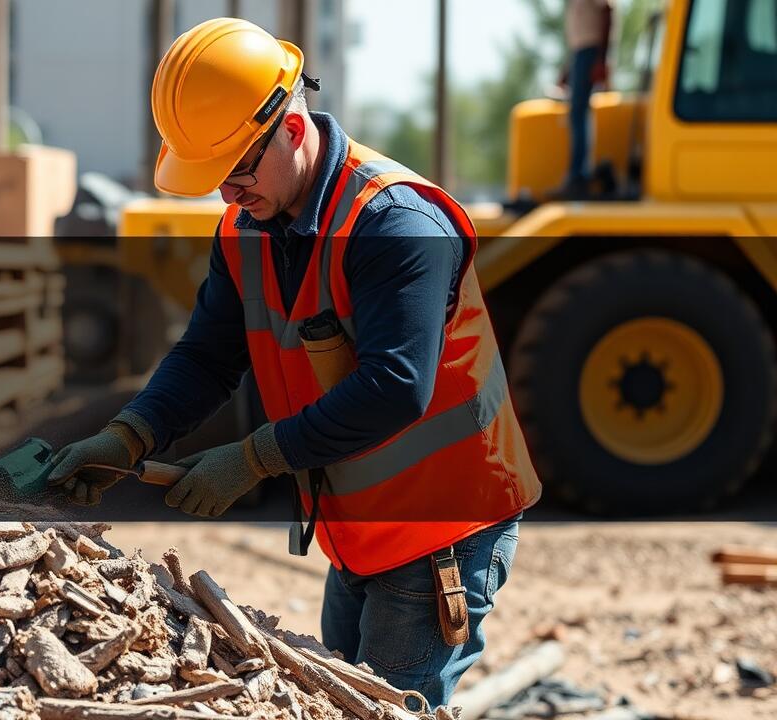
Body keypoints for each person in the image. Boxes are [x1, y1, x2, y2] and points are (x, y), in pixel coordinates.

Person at [47, 18, 541, 709]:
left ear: (292, 128)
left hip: (442, 531)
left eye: (238, 169)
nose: (228, 194)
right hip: (361, 527)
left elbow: (396, 387)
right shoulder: (248, 225)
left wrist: (253, 458)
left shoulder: (396, 223)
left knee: (381, 708)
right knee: (337, 701)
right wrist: (131, 433)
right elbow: (210, 352)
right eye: (215, 178)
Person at [557, 0, 613, 198]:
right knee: (577, 114)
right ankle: (578, 175)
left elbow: (607, 12)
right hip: (581, 52)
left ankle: (578, 176)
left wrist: (601, 58)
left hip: (590, 50)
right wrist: (568, 68)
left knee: (578, 113)